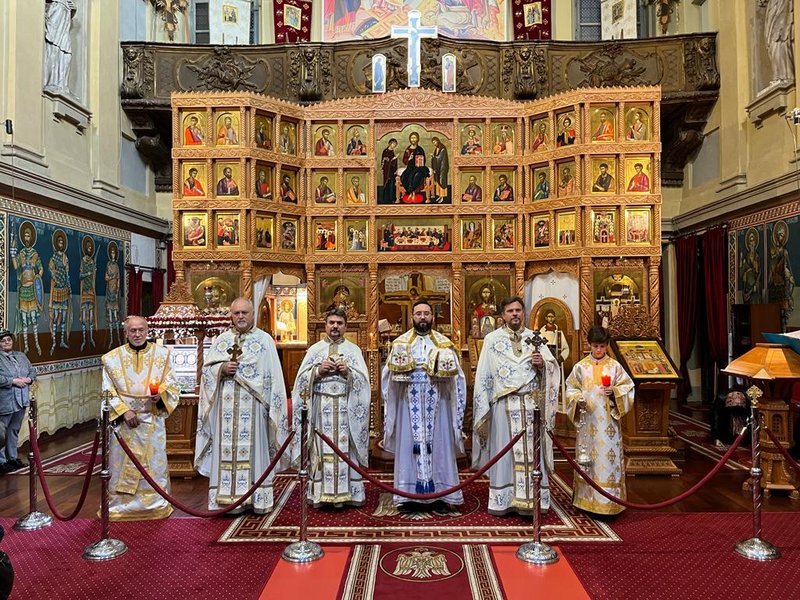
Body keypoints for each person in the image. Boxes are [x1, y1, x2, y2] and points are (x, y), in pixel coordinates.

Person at [195, 298, 291, 514]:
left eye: (244, 313)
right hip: (225, 410)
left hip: (254, 409)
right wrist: (221, 369)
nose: (240, 317)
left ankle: (257, 499)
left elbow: (274, 378)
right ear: (231, 315)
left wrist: (272, 408)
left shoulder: (264, 341)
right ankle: (226, 500)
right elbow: (206, 372)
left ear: (252, 314)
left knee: (255, 452)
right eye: (236, 313)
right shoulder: (222, 341)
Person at [472, 297, 560, 515]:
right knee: (505, 454)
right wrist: (483, 407)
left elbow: (553, 367)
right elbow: (483, 375)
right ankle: (504, 500)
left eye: (518, 310)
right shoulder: (492, 340)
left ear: (523, 312)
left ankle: (533, 499)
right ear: (503, 315)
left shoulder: (535, 339)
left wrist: (543, 365)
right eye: (510, 310)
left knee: (532, 453)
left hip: (531, 405)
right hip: (504, 406)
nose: (515, 314)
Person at [382, 299, 465, 511]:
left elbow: (458, 378)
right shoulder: (401, 343)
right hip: (407, 404)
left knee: (440, 446)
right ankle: (407, 496)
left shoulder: (444, 343)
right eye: (418, 313)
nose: (422, 317)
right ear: (412, 317)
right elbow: (387, 377)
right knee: (408, 446)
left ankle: (442, 494)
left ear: (432, 316)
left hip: (439, 404)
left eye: (426, 313)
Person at [101, 316, 179, 519]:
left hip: (152, 419)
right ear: (126, 333)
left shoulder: (162, 355)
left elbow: (172, 384)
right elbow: (107, 391)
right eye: (133, 331)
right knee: (122, 463)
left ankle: (154, 503)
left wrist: (159, 395)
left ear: (147, 331)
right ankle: (121, 505)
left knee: (153, 466)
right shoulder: (111, 359)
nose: (137, 334)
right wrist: (123, 411)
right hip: (125, 423)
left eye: (141, 330)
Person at [291, 309, 370, 507]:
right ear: (325, 325)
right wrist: (317, 371)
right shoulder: (315, 350)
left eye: (339, 323)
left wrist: (349, 373)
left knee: (346, 449)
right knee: (321, 449)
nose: (335, 326)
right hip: (321, 408)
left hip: (346, 409)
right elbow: (300, 382)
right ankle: (321, 493)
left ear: (345, 326)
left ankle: (349, 493)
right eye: (331, 322)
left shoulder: (353, 351)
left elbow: (364, 383)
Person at [565, 325, 635, 516]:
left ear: (607, 345)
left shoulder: (615, 367)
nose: (598, 350)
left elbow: (628, 388)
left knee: (607, 462)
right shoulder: (581, 367)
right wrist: (577, 399)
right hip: (588, 423)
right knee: (588, 461)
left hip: (608, 425)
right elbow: (571, 388)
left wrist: (615, 392)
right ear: (589, 344)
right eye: (595, 346)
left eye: (602, 346)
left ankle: (609, 502)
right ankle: (586, 501)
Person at [0, 329, 35, 474]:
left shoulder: (21, 355)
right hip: (4, 401)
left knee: (14, 430)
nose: (7, 342)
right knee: (1, 432)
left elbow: (32, 370)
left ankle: (12, 458)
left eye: (9, 339)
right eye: (3, 341)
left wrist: (29, 379)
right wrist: (12, 381)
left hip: (21, 400)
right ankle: (1, 461)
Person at [10, 222, 44, 355]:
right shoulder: (21, 254)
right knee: (24, 320)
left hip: (32, 289)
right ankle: (26, 346)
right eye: (25, 235)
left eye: (28, 235)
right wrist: (13, 253)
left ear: (32, 237)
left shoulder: (35, 254)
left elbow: (41, 269)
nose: (27, 238)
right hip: (23, 290)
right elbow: (15, 266)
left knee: (34, 319)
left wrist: (38, 277)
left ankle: (37, 344)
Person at [539, 309, 570, 410]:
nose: (550, 319)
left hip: (556, 363)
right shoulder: (541, 331)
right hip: (545, 363)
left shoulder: (559, 332)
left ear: (555, 318)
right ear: (546, 318)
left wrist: (559, 359)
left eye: (552, 317)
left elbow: (566, 348)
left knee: (556, 385)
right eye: (549, 317)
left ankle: (557, 408)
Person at [43, 0, 76, 92]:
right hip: (55, 17)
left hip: (64, 24)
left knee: (66, 54)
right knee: (53, 49)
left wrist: (72, 10)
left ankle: (62, 84)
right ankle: (51, 81)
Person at [48, 229, 71, 354]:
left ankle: (62, 340)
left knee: (64, 317)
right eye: (59, 242)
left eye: (63, 242)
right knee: (56, 316)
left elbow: (67, 274)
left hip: (65, 290)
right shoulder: (53, 258)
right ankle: (53, 342)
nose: (61, 244)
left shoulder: (65, 257)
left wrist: (69, 288)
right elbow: (52, 273)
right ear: (57, 243)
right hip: (57, 290)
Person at [762, 0, 794, 84]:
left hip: (781, 6)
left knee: (779, 38)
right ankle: (779, 75)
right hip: (773, 7)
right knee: (772, 41)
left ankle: (784, 75)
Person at [79, 236, 97, 351]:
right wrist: (88, 273)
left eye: (91, 247)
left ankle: (91, 338)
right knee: (84, 317)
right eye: (88, 247)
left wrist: (94, 272)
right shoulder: (83, 261)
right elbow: (80, 275)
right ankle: (84, 340)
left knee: (90, 317)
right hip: (84, 291)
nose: (90, 249)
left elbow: (94, 277)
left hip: (91, 291)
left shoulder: (92, 262)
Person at [399, 132, 427, 202]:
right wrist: (409, 159)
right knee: (403, 177)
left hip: (419, 168)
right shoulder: (408, 149)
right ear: (410, 139)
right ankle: (410, 192)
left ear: (417, 139)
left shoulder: (420, 149)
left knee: (416, 176)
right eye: (412, 138)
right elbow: (404, 161)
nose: (413, 139)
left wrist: (420, 161)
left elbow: (424, 160)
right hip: (410, 167)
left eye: (415, 138)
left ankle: (413, 193)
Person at [105, 243, 122, 349]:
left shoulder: (116, 265)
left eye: (114, 253)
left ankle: (118, 338)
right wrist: (112, 277)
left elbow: (119, 278)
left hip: (115, 291)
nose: (113, 255)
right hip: (109, 291)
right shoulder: (108, 265)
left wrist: (117, 290)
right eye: (111, 253)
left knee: (116, 316)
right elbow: (106, 277)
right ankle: (111, 339)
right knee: (110, 317)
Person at [430, 136, 449, 202]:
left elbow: (440, 158)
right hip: (438, 168)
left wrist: (433, 157)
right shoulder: (436, 149)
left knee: (442, 181)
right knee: (438, 181)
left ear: (438, 141)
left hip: (442, 168)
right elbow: (436, 158)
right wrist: (433, 158)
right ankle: (439, 196)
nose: (434, 143)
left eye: (435, 142)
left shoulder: (443, 148)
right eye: (433, 142)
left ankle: (442, 196)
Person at [381, 138, 398, 204]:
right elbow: (385, 161)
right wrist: (394, 158)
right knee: (387, 184)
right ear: (390, 143)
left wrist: (395, 170)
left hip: (392, 171)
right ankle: (386, 200)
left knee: (392, 184)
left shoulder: (392, 151)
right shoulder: (385, 151)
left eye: (395, 144)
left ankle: (391, 199)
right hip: (387, 171)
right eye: (393, 144)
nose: (394, 145)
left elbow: (393, 163)